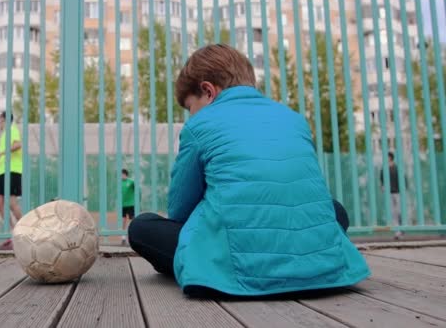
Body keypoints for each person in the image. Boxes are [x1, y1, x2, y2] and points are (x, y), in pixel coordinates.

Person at [127, 44, 370, 297]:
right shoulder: (295, 119)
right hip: (321, 267)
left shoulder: (199, 126)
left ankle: (198, 267)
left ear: (208, 91)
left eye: (190, 107)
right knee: (335, 210)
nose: (191, 116)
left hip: (238, 268)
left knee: (142, 227)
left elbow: (180, 211)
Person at [0, 112, 24, 248]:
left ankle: (25, 231)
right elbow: (4, 153)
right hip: (2, 171)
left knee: (11, 202)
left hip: (12, 170)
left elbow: (17, 145)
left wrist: (3, 152)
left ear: (5, 120)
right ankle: (14, 232)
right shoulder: (3, 135)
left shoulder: (12, 129)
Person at [380, 152, 403, 239]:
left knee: (399, 212)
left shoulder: (396, 168)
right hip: (389, 193)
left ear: (390, 158)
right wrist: (382, 187)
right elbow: (382, 180)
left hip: (398, 192)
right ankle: (397, 232)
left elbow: (403, 178)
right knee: (393, 213)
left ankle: (401, 229)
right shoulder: (384, 169)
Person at [121, 169, 135, 245]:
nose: (121, 176)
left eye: (122, 174)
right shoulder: (119, 183)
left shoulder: (131, 182)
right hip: (123, 205)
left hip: (131, 204)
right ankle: (123, 238)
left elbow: (136, 189)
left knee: (131, 221)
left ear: (126, 174)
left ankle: (132, 237)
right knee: (123, 221)